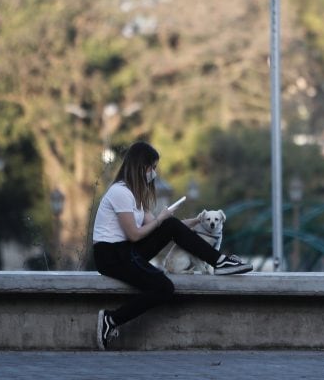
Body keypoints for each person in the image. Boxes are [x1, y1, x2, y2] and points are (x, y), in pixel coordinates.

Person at [92, 141, 252, 350]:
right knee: (164, 287)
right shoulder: (120, 192)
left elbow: (165, 228)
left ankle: (219, 262)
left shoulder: (134, 196)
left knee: (171, 225)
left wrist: (197, 221)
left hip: (125, 252)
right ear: (141, 166)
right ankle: (111, 320)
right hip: (111, 255)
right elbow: (133, 234)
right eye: (153, 167)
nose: (154, 173)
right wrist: (161, 220)